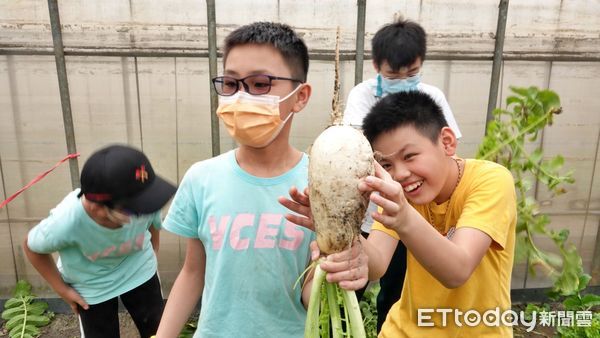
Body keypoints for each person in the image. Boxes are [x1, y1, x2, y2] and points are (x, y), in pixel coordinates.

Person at [156, 22, 367, 338]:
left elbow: (311, 293)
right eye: (230, 84)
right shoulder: (201, 178)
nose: (241, 97)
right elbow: (192, 272)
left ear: (300, 96)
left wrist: (336, 266)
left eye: (260, 84)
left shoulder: (320, 186)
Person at [283, 91, 516, 337]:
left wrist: (404, 218)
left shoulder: (490, 180)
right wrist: (334, 223)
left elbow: (457, 270)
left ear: (447, 141)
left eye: (410, 156)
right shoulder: (403, 195)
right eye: (386, 165)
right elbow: (377, 265)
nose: (401, 173)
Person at [345, 18, 463, 330]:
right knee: (351, 285)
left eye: (411, 74)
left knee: (394, 290)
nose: (403, 81)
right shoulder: (362, 96)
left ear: (421, 64)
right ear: (376, 65)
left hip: (411, 212)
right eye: (392, 75)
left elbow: (446, 150)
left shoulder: (432, 96)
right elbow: (356, 151)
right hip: (369, 211)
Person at [23, 144, 177, 338]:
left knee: (158, 329)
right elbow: (32, 248)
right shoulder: (67, 221)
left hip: (139, 269)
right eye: (137, 209)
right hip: (91, 285)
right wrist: (63, 290)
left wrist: (153, 250)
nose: (145, 210)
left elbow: (153, 219)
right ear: (98, 208)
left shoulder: (141, 197)